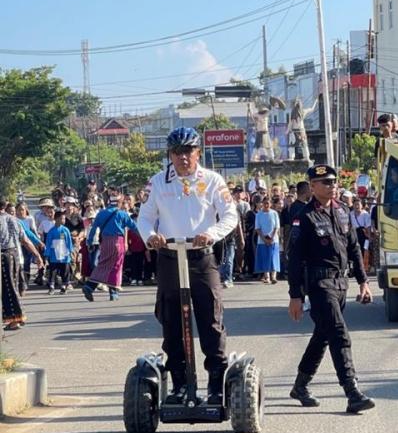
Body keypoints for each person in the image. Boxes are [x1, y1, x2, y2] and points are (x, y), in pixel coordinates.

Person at [137, 127, 240, 405]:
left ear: (198, 152)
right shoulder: (158, 183)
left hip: (201, 257)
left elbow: (230, 216)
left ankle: (216, 384)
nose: (183, 157)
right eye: (177, 152)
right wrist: (151, 236)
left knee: (211, 320)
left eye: (188, 151)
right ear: (170, 155)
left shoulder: (213, 180)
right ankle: (180, 384)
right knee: (171, 321)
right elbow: (144, 218)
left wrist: (212, 233)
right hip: (170, 256)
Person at [287, 164, 375, 413]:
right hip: (319, 284)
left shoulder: (343, 211)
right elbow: (294, 259)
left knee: (323, 335)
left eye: (334, 181)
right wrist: (295, 295)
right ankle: (352, 392)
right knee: (338, 333)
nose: (332, 186)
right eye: (325, 182)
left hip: (341, 283)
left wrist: (363, 282)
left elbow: (354, 249)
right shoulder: (304, 217)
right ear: (312, 186)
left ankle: (300, 386)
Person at [82, 195, 138, 301]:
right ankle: (113, 292)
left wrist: (89, 242)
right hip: (118, 241)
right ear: (119, 202)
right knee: (116, 266)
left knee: (102, 264)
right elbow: (134, 227)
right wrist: (145, 237)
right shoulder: (122, 214)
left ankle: (89, 286)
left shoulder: (101, 213)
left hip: (105, 242)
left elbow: (93, 229)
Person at [1, 196, 43, 329]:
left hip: (3, 255)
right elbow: (25, 240)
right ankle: (15, 318)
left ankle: (15, 318)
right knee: (11, 287)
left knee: (8, 288)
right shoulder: (15, 220)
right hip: (14, 254)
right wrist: (37, 255)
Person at [44, 209, 74, 294]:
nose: (63, 220)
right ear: (56, 219)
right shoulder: (51, 231)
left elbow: (69, 242)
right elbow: (48, 243)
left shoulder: (65, 230)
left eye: (64, 219)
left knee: (65, 270)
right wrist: (47, 254)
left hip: (64, 254)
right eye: (62, 218)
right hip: (54, 254)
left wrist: (71, 251)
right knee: (53, 271)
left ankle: (64, 286)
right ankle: (51, 286)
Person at [254, 197, 280, 284]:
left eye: (268, 203)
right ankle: (267, 276)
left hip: (273, 240)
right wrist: (264, 239)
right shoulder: (259, 215)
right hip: (262, 240)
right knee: (265, 258)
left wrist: (272, 237)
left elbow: (277, 227)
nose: (266, 205)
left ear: (270, 204)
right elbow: (257, 228)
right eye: (264, 203)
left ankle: (274, 276)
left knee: (273, 258)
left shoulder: (274, 213)